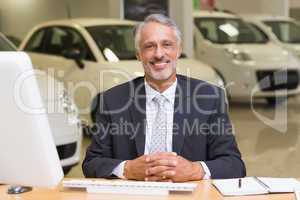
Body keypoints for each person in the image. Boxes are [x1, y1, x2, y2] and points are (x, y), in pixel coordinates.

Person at [82, 14, 246, 182]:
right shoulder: (112, 100)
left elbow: (234, 165)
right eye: (149, 46)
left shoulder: (209, 98)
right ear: (139, 54)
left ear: (178, 50)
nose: (159, 54)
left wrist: (194, 170)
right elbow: (91, 163)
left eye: (167, 44)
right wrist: (127, 169)